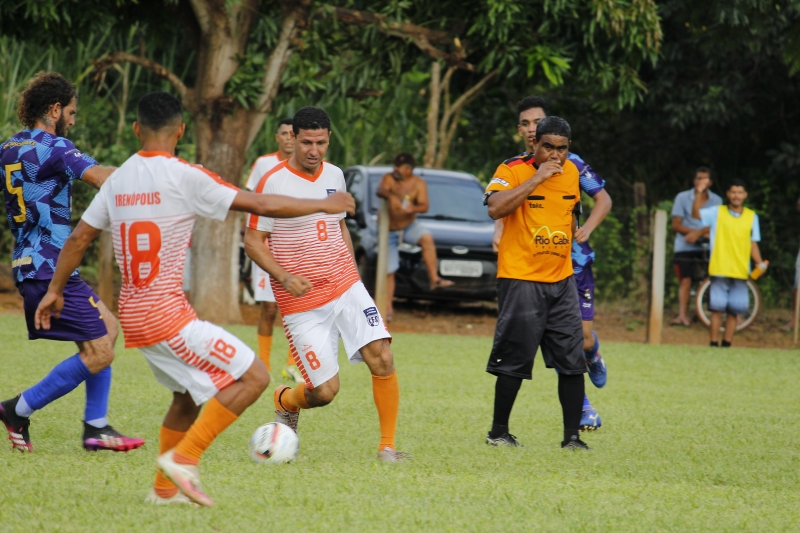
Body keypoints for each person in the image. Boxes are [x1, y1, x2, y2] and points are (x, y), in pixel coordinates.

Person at [34, 92, 355, 507]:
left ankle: (164, 491)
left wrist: (55, 290)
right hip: (166, 316)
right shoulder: (185, 175)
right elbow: (259, 203)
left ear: (136, 129)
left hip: (134, 315)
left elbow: (79, 238)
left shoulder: (119, 178)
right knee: (254, 377)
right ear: (181, 130)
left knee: (185, 398)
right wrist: (324, 203)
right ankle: (185, 459)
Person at [244, 106, 408, 462]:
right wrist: (284, 277)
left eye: (320, 142)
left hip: (345, 285)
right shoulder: (272, 181)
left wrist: (353, 275)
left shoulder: (335, 174)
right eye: (306, 142)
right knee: (325, 392)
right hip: (301, 302)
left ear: (329, 139)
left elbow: (339, 226)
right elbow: (253, 242)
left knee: (382, 356)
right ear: (293, 139)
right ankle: (286, 400)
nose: (314, 150)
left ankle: (387, 447)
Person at [0, 72, 144, 453]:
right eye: (72, 112)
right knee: (102, 349)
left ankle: (95, 427)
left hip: (29, 263)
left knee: (107, 330)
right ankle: (18, 408)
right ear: (54, 110)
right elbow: (102, 178)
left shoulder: (7, 148)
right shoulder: (56, 147)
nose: (73, 121)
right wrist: (151, 176)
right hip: (50, 265)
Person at [493, 96, 609, 431]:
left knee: (580, 341)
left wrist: (586, 229)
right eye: (526, 124)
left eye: (537, 122)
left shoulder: (574, 166)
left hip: (572, 265)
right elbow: (500, 206)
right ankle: (581, 409)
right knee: (533, 347)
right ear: (523, 132)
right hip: (527, 274)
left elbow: (599, 200)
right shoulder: (514, 168)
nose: (532, 129)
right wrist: (499, 231)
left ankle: (592, 356)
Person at [483, 115, 590, 450]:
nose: (555, 155)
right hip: (521, 279)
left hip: (561, 280)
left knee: (573, 360)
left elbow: (571, 214)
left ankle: (572, 438)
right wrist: (537, 179)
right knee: (514, 359)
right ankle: (498, 433)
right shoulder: (512, 170)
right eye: (548, 147)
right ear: (535, 143)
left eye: (562, 148)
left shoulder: (572, 173)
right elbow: (495, 208)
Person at [243, 118, 303, 383]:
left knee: (298, 305)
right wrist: (252, 234)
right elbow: (250, 200)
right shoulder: (263, 164)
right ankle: (264, 365)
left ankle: (292, 365)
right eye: (284, 134)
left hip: (296, 247)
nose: (289, 138)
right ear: (277, 138)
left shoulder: (308, 166)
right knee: (269, 308)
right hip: (267, 247)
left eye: (293, 134)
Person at [376, 153, 453, 321]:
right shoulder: (389, 179)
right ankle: (387, 309)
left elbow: (424, 206)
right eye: (395, 166)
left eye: (399, 167)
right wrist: (391, 196)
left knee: (427, 238)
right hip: (389, 229)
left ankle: (434, 279)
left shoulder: (418, 183)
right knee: (390, 270)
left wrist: (413, 208)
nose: (395, 169)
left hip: (409, 225)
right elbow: (380, 190)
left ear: (409, 169)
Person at [698, 179, 766, 347]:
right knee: (717, 309)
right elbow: (696, 215)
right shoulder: (717, 212)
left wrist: (759, 263)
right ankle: (713, 343)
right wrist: (699, 193)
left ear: (745, 195)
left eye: (740, 193)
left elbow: (753, 243)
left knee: (734, 310)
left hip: (740, 270)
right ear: (728, 194)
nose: (736, 196)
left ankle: (727, 343)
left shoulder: (751, 216)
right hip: (719, 267)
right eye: (733, 192)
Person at [670, 167, 723, 326]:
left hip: (708, 244)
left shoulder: (717, 200)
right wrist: (693, 234)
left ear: (710, 182)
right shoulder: (682, 197)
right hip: (685, 245)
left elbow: (716, 223)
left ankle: (710, 313)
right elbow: (676, 224)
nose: (701, 182)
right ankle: (682, 316)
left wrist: (698, 234)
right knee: (685, 280)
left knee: (714, 277)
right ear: (694, 181)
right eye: (699, 178)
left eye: (705, 179)